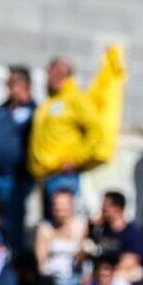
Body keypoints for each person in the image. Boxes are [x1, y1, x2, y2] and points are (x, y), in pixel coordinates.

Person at [28, 57, 105, 212]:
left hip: (62, 175)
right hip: (46, 173)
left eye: (52, 72)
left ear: (63, 73)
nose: (48, 76)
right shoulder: (51, 100)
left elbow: (96, 132)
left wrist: (75, 159)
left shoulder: (75, 98)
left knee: (62, 224)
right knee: (48, 226)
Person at [0, 65, 35, 252]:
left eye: (12, 84)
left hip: (13, 179)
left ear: (24, 85)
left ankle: (11, 255)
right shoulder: (2, 109)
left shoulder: (34, 112)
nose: (8, 88)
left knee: (9, 219)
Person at [33, 188, 87, 285]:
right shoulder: (44, 229)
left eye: (64, 208)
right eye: (57, 208)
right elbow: (41, 264)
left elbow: (82, 261)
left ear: (72, 207)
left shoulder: (80, 226)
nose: (60, 212)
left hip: (74, 279)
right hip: (51, 279)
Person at [89, 190, 143, 282]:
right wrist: (90, 224)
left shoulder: (133, 233)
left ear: (118, 209)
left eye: (105, 208)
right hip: (101, 274)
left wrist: (106, 275)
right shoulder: (101, 229)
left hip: (119, 275)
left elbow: (129, 261)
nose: (102, 211)